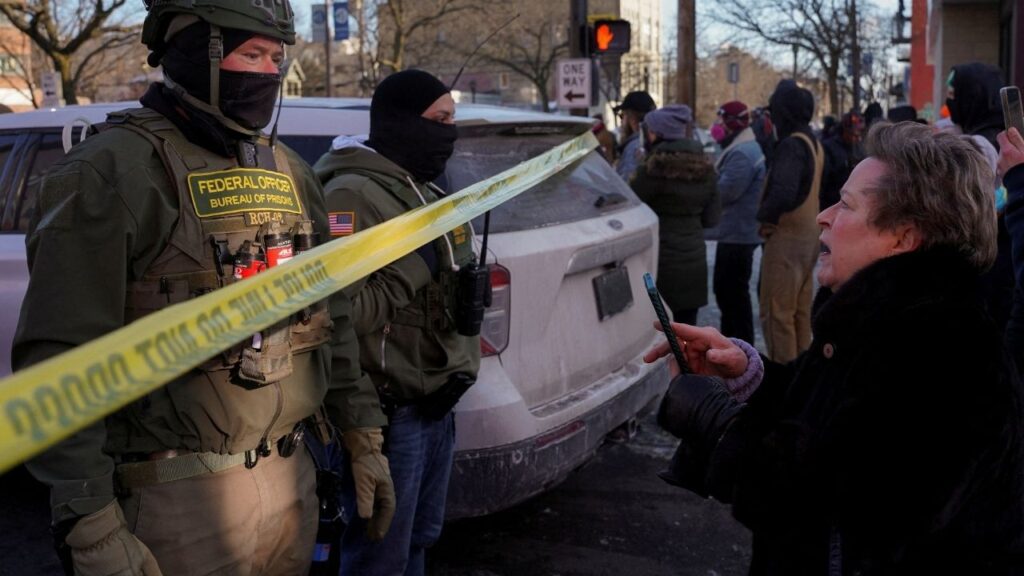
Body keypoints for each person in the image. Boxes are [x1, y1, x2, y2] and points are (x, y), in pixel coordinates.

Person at [11, 1, 394, 575]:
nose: (268, 72)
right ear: (198, 52)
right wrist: (89, 522)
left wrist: (363, 438)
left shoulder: (289, 172)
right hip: (176, 503)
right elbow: (61, 361)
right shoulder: (111, 172)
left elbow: (328, 320)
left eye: (275, 57)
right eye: (252, 54)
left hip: (293, 480)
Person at [649, 122, 1024, 574]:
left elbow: (824, 500)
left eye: (845, 205)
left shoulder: (942, 350)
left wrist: (712, 417)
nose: (823, 216)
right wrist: (748, 376)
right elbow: (831, 414)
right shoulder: (881, 317)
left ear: (904, 237)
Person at [313, 69, 482, 576]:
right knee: (378, 554)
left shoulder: (424, 188)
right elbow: (335, 312)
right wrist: (418, 264)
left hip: (436, 401)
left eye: (453, 118)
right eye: (440, 119)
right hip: (388, 414)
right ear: (402, 123)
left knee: (417, 543)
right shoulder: (351, 196)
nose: (450, 131)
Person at [630, 104, 720, 325]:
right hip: (694, 261)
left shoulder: (651, 170)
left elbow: (632, 211)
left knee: (657, 331)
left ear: (659, 134)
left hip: (660, 260)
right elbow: (712, 218)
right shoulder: (706, 169)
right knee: (687, 332)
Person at [946, 62, 1015, 335]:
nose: (950, 103)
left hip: (985, 270)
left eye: (954, 94)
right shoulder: (1011, 138)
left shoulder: (976, 147)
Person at [757, 81, 823, 363]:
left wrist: (765, 218)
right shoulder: (812, 142)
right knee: (799, 313)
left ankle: (784, 386)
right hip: (808, 240)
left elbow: (783, 191)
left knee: (777, 315)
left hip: (787, 241)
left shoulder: (792, 145)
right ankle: (801, 379)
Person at [705, 100, 766, 343]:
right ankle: (734, 342)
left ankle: (738, 345)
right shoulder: (742, 148)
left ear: (732, 124)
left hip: (738, 235)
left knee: (732, 294)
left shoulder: (742, 153)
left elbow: (725, 192)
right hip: (735, 233)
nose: (717, 126)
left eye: (721, 120)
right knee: (728, 292)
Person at [819, 111, 865, 210]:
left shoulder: (859, 148)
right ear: (845, 131)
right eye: (853, 135)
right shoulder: (829, 147)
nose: (856, 139)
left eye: (858, 136)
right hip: (832, 201)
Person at [613, 90, 657, 182]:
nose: (621, 122)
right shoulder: (655, 142)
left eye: (622, 116)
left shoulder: (634, 148)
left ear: (632, 120)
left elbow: (626, 189)